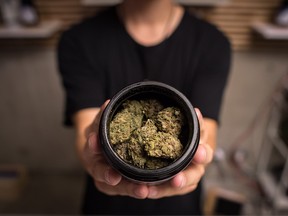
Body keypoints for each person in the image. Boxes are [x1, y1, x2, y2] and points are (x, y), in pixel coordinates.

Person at [57, 0, 231, 215]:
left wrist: (200, 154)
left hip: (179, 202)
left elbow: (207, 134)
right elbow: (86, 134)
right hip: (107, 203)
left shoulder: (212, 43)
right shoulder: (79, 40)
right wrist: (92, 153)